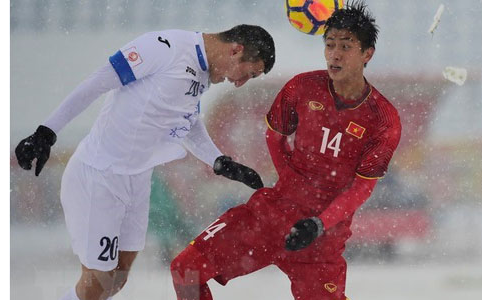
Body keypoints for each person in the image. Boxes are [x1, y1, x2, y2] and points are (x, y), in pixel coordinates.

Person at [14, 24, 275, 300]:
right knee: (98, 281)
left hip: (137, 180)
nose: (240, 83)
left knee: (118, 279)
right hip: (100, 175)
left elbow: (188, 123)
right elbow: (99, 81)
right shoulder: (166, 47)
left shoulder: (202, 75)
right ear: (236, 50)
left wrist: (221, 162)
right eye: (248, 74)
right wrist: (47, 131)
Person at [170, 2, 402, 300]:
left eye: (346, 46)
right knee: (185, 270)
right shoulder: (302, 87)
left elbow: (362, 188)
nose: (335, 53)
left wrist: (318, 223)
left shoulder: (383, 118)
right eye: (330, 44)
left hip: (320, 239)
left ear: (367, 53)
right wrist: (292, 189)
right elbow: (274, 135)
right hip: (271, 215)